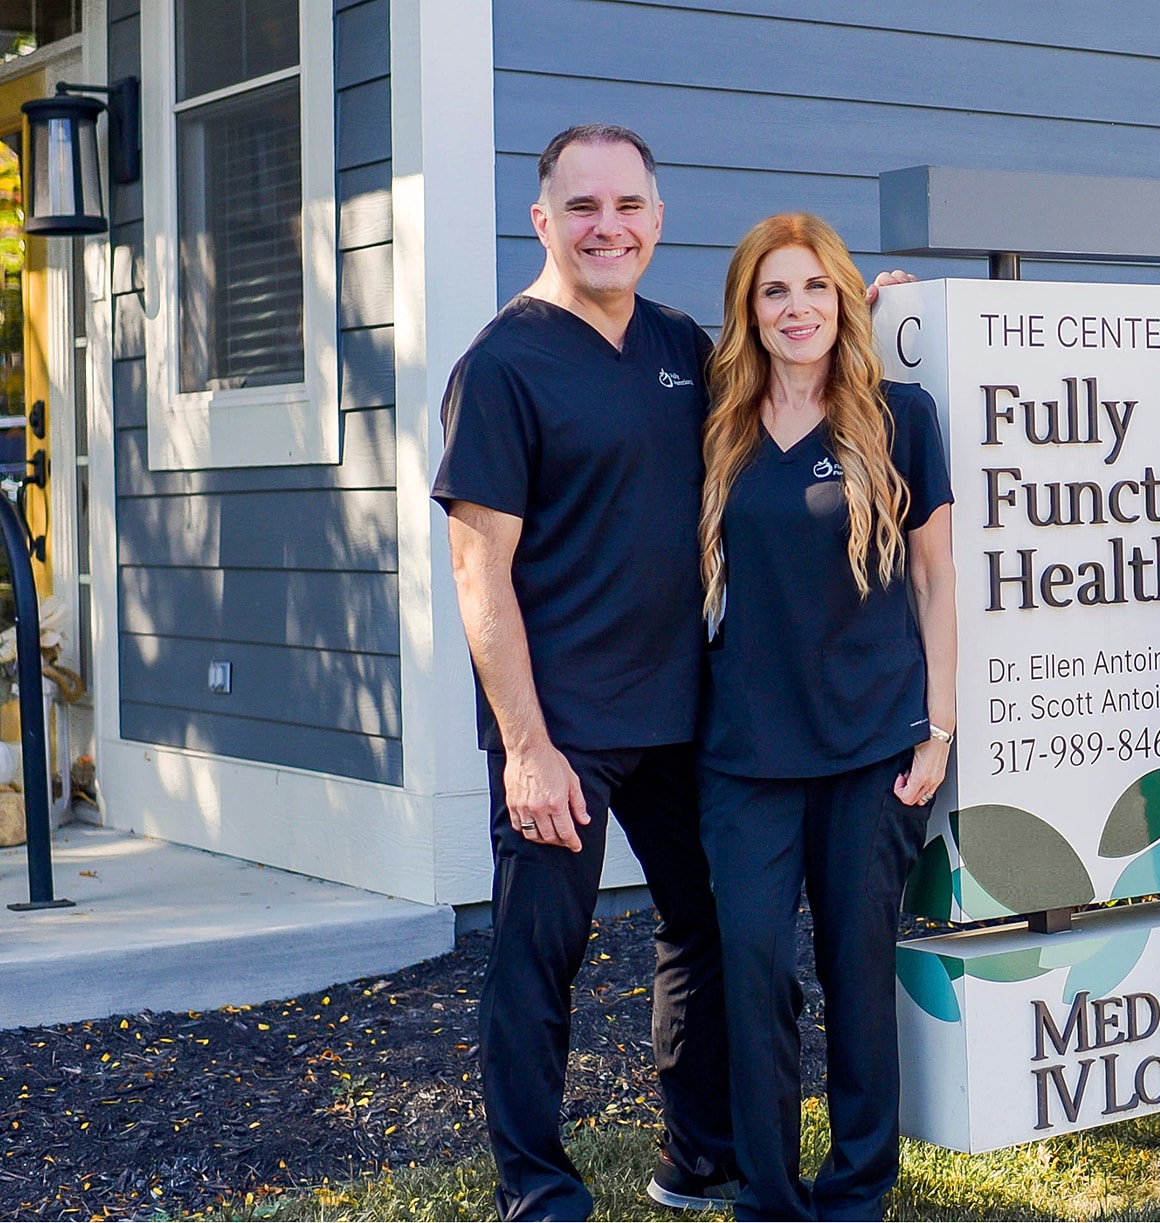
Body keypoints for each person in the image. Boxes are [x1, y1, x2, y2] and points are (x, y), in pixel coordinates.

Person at [434, 124, 736, 1220]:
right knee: (537, 959)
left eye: (628, 207)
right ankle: (539, 1190)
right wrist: (525, 744)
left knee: (708, 926)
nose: (607, 226)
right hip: (560, 727)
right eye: (583, 208)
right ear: (543, 220)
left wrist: (881, 317)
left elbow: (796, 381)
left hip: (685, 711)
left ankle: (699, 1157)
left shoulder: (682, 345)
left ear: (658, 217)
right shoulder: (503, 364)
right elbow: (479, 567)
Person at [694, 212, 957, 1221]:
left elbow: (936, 582)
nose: (795, 308)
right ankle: (768, 1193)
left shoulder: (903, 417)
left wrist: (938, 730)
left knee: (858, 973)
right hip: (745, 753)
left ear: (845, 297)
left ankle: (856, 1189)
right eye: (774, 291)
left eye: (815, 287)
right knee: (754, 965)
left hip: (872, 748)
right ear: (747, 311)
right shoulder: (716, 422)